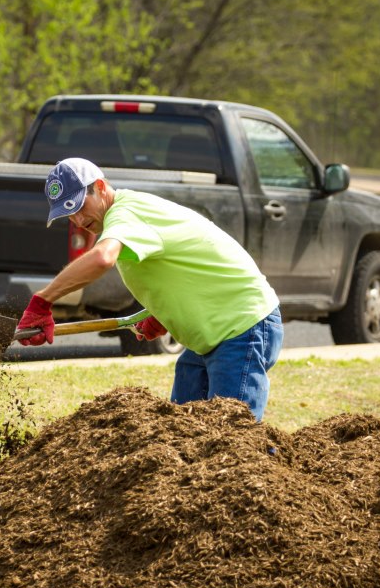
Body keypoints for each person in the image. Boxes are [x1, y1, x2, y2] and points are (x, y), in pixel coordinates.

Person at [15, 157, 284, 421]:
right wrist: (163, 313)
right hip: (215, 336)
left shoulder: (126, 213)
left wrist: (42, 301)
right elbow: (177, 263)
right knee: (182, 432)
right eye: (68, 214)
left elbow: (101, 259)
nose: (78, 220)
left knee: (233, 441)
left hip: (243, 328)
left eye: (79, 206)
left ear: (99, 187)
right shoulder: (127, 214)